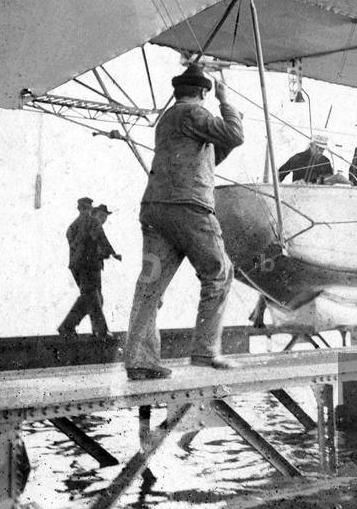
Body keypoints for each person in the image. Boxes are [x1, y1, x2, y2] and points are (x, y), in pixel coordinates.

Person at [125, 63, 244, 379]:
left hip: (154, 209)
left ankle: (139, 361)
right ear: (203, 92)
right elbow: (235, 134)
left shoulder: (167, 121)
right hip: (189, 208)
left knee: (150, 286)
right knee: (218, 272)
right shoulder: (195, 113)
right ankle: (205, 352)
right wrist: (226, 100)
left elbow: (209, 156)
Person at [59, 203, 119, 338]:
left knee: (92, 298)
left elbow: (71, 235)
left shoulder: (79, 225)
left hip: (83, 266)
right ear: (93, 212)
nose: (103, 219)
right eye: (101, 215)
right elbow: (102, 242)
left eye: (105, 217)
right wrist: (112, 253)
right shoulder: (92, 223)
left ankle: (87, 329)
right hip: (88, 267)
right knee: (92, 298)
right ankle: (96, 331)